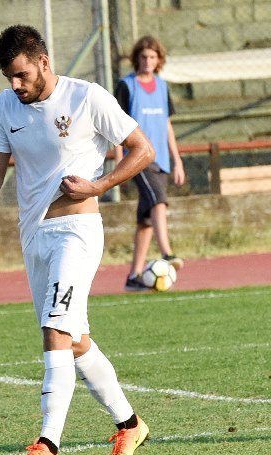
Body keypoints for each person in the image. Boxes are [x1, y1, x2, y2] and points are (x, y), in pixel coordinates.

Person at [0, 25, 153, 455]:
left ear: (43, 62)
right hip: (34, 236)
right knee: (75, 340)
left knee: (54, 331)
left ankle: (48, 444)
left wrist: (98, 185)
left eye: (22, 74)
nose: (15, 85)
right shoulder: (6, 106)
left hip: (76, 232)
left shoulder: (87, 97)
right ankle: (130, 423)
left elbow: (142, 149)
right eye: (9, 77)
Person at [115, 35, 185, 291]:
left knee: (146, 220)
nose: (148, 61)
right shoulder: (126, 86)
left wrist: (177, 160)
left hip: (161, 159)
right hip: (138, 157)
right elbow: (116, 124)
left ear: (159, 60)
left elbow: (167, 124)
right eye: (144, 56)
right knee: (158, 201)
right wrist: (119, 158)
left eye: (152, 57)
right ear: (137, 58)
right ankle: (167, 252)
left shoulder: (162, 86)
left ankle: (134, 277)